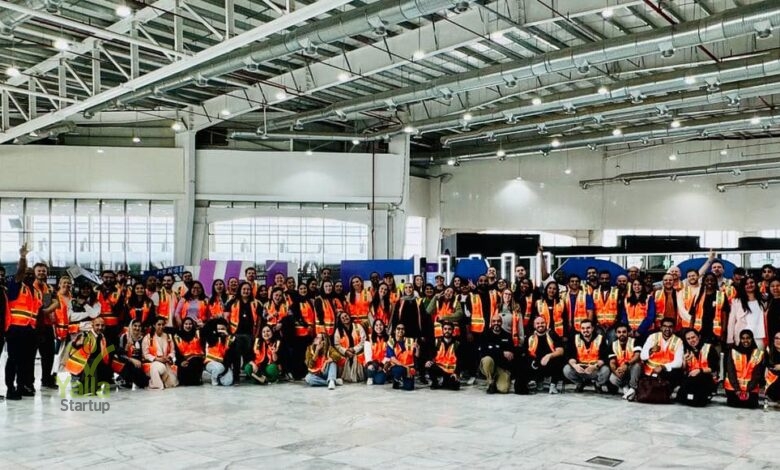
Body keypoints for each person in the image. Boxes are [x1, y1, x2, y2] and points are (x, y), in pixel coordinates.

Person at [5, 244, 41, 399]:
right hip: (15, 328)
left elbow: (41, 310)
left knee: (25, 361)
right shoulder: (16, 286)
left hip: (30, 330)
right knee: (14, 359)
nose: (29, 275)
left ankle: (21, 386)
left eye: (31, 274)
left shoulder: (38, 292)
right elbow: (19, 272)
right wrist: (23, 257)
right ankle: (10, 388)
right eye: (27, 273)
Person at [63, 316, 114, 393]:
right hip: (82, 365)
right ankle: (82, 382)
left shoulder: (103, 337)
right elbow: (74, 346)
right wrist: (77, 344)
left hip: (96, 365)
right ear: (92, 325)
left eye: (102, 325)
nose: (100, 327)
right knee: (93, 361)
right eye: (97, 325)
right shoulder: (84, 335)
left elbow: (113, 348)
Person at [226, 282, 261, 384]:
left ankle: (249, 374)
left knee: (249, 355)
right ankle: (236, 375)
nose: (246, 291)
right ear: (240, 290)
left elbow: (259, 321)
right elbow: (226, 318)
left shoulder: (256, 303)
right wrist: (229, 334)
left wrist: (256, 334)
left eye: (248, 289)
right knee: (236, 354)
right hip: (235, 334)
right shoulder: (232, 302)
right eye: (244, 289)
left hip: (250, 334)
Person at [520, 316, 565, 394]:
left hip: (550, 362)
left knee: (559, 358)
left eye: (542, 323)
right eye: (537, 323)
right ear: (534, 325)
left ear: (546, 324)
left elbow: (561, 351)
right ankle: (537, 381)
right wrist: (531, 361)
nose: (540, 325)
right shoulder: (530, 336)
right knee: (523, 361)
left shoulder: (552, 334)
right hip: (536, 363)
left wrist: (549, 356)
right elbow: (525, 352)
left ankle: (553, 385)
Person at [563, 319, 610, 393]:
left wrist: (594, 366)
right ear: (580, 329)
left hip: (594, 369)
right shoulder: (575, 338)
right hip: (580, 369)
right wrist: (575, 366)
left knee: (606, 370)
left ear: (592, 328)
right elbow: (569, 355)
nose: (585, 330)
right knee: (567, 369)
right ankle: (580, 383)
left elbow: (604, 357)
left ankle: (597, 384)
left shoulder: (600, 338)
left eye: (588, 328)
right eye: (583, 328)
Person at [677, 328, 719, 406]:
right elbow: (684, 370)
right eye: (688, 339)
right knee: (681, 398)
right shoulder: (687, 350)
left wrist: (699, 370)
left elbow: (714, 368)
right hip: (691, 379)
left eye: (693, 337)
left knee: (698, 401)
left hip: (706, 378)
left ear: (699, 337)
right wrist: (684, 360)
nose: (691, 340)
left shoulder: (709, 348)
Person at [724, 329, 764, 409]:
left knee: (752, 405)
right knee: (733, 404)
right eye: (743, 338)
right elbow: (731, 372)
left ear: (752, 339)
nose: (745, 340)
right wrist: (737, 390)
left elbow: (757, 375)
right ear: (740, 339)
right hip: (733, 387)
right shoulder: (733, 352)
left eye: (748, 338)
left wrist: (748, 390)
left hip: (751, 388)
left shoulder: (758, 354)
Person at [640, 318, 684, 390]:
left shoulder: (678, 341)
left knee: (677, 373)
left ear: (674, 328)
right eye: (665, 326)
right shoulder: (653, 337)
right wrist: (651, 351)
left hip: (666, 373)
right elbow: (642, 356)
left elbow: (678, 363)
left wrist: (663, 367)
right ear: (661, 327)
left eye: (670, 327)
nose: (667, 329)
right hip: (649, 372)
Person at [479, 314, 514, 394]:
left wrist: (493, 349)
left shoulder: (507, 336)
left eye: (498, 321)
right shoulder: (485, 335)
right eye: (494, 321)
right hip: (489, 364)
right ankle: (490, 382)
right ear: (491, 323)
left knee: (503, 389)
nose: (496, 323)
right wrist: (502, 352)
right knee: (487, 359)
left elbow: (510, 354)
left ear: (501, 323)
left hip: (501, 367)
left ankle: (497, 380)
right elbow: (483, 352)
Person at [727, 277, 766, 349]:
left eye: (751, 282)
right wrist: (730, 339)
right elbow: (731, 321)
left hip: (760, 336)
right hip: (743, 336)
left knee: (759, 356)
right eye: (746, 284)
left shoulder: (763, 299)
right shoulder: (736, 301)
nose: (749, 285)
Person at [689, 273, 728, 344]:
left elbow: (724, 316)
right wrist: (690, 331)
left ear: (715, 282)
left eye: (712, 280)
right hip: (699, 332)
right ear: (704, 282)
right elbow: (693, 316)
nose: (709, 282)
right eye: (707, 280)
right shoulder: (698, 295)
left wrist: (724, 332)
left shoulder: (721, 295)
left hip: (715, 333)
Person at [142, 316, 178, 389]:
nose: (161, 327)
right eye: (159, 324)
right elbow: (146, 354)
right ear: (154, 325)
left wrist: (169, 357)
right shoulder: (147, 338)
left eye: (163, 324)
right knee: (158, 367)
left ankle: (156, 381)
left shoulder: (168, 336)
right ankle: (157, 385)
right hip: (153, 362)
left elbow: (172, 351)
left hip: (166, 362)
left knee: (172, 383)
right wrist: (157, 359)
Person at [608, 323, 642, 400]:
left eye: (624, 332)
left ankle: (633, 388)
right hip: (622, 370)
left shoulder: (635, 341)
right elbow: (612, 362)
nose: (621, 334)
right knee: (612, 378)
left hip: (632, 368)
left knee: (637, 366)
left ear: (628, 333)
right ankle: (625, 387)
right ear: (616, 334)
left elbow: (637, 356)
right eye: (619, 332)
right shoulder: (612, 345)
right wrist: (615, 371)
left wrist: (627, 364)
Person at [290, 283, 316, 379]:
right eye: (301, 289)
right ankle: (297, 374)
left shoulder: (310, 301)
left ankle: (305, 372)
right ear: (298, 290)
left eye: (304, 288)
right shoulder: (295, 303)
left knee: (307, 353)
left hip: (309, 333)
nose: (303, 290)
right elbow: (296, 317)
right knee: (299, 354)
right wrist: (306, 325)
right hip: (299, 333)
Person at [114, 320, 149, 389]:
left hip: (139, 362)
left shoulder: (143, 338)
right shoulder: (125, 336)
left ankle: (126, 379)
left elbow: (143, 353)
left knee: (145, 382)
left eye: (139, 326)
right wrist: (131, 359)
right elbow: (120, 354)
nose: (137, 328)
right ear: (131, 326)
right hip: (126, 360)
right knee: (133, 368)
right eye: (135, 326)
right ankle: (123, 378)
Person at [426, 321, 460, 390]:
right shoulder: (437, 342)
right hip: (439, 368)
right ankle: (435, 382)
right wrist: (429, 361)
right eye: (445, 329)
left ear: (453, 331)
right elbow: (431, 354)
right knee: (429, 365)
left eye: (449, 329)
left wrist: (456, 373)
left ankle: (445, 381)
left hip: (451, 370)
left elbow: (460, 360)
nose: (447, 331)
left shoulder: (457, 344)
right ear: (442, 330)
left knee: (455, 386)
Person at [333, 310, 366, 383]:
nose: (345, 318)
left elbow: (364, 340)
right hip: (345, 354)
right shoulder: (338, 330)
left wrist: (354, 349)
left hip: (357, 353)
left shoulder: (358, 326)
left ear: (349, 316)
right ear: (341, 321)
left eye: (346, 316)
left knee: (360, 358)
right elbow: (336, 345)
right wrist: (346, 351)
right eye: (342, 318)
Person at [384, 323, 417, 390]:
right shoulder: (390, 342)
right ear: (394, 331)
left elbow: (416, 356)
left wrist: (418, 349)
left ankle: (402, 380)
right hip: (395, 367)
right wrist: (406, 367)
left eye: (402, 329)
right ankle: (396, 380)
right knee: (400, 370)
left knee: (409, 388)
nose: (400, 330)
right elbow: (393, 359)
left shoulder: (410, 341)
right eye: (398, 328)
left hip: (408, 366)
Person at [202, 317, 234, 386]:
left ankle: (219, 376)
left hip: (224, 364)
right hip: (210, 362)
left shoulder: (230, 339)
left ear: (226, 329)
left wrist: (227, 336)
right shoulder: (211, 337)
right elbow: (206, 328)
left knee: (228, 382)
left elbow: (232, 352)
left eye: (222, 329)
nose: (220, 331)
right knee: (219, 368)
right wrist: (215, 320)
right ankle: (214, 379)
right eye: (218, 329)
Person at [174, 317, 204, 386]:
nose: (188, 326)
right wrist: (181, 362)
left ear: (193, 325)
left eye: (190, 324)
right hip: (184, 360)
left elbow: (207, 334)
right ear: (183, 325)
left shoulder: (198, 333)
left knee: (195, 363)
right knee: (183, 379)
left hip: (197, 360)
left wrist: (202, 326)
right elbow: (177, 352)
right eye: (186, 324)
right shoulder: (177, 336)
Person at [592, 271, 619, 338]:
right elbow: (592, 310)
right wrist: (595, 324)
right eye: (602, 279)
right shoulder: (594, 292)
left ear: (610, 279)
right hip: (598, 326)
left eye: (606, 279)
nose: (604, 280)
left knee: (612, 343)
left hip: (613, 326)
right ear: (599, 279)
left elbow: (620, 309)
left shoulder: (616, 291)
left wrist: (616, 324)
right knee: (599, 343)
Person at [366, 319, 389, 385]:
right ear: (373, 327)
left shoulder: (389, 338)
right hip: (373, 363)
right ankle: (370, 377)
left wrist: (382, 365)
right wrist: (371, 364)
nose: (379, 327)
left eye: (380, 325)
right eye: (376, 325)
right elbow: (367, 353)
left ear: (383, 326)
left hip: (384, 364)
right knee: (370, 367)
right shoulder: (369, 338)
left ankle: (379, 376)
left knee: (379, 381)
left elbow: (389, 354)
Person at [764, 331, 780, 404]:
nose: (778, 341)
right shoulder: (769, 349)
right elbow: (768, 364)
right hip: (772, 382)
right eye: (776, 338)